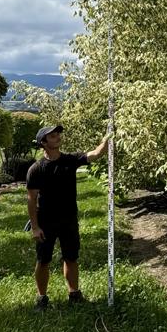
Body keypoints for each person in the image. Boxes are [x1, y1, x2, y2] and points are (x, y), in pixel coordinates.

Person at [26, 124, 110, 310]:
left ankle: (74, 293)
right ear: (43, 142)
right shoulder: (36, 169)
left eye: (58, 134)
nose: (57, 137)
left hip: (69, 219)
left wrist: (108, 138)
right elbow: (31, 200)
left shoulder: (71, 160)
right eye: (52, 135)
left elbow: (95, 154)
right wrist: (35, 226)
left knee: (71, 258)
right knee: (43, 260)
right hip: (46, 221)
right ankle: (41, 298)